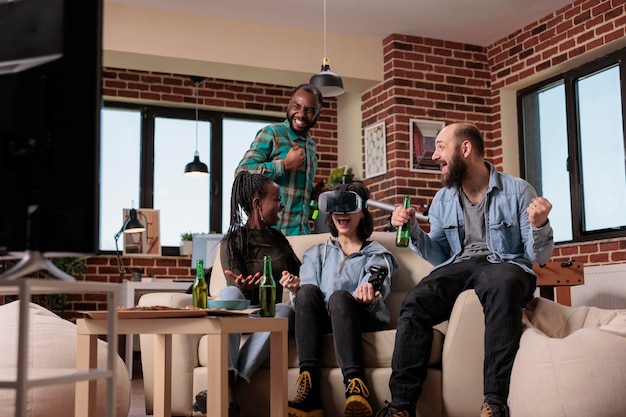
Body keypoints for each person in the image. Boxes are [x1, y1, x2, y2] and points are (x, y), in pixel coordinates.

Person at [375, 123, 554, 417]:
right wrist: (413, 230)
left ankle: (494, 402)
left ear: (465, 149)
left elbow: (540, 256)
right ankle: (401, 406)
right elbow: (440, 255)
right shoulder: (444, 199)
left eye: (441, 147)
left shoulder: (518, 190)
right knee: (416, 300)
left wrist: (539, 225)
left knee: (502, 284)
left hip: (505, 264)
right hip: (460, 265)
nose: (434, 156)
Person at [282, 182, 400, 417]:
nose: (342, 213)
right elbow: (308, 298)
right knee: (306, 292)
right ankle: (309, 394)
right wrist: (296, 290)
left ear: (362, 211)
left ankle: (356, 388)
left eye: (349, 206)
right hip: (322, 320)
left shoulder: (378, 254)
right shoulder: (315, 253)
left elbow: (378, 285)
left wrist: (369, 294)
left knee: (338, 298)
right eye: (336, 206)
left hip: (359, 316)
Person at [192, 171, 301, 417]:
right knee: (229, 290)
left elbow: (301, 275)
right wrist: (244, 287)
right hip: (240, 316)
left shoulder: (279, 240)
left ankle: (225, 389)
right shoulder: (234, 239)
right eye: (277, 199)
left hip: (268, 316)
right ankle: (228, 391)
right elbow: (235, 282)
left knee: (285, 310)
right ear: (257, 204)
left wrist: (295, 282)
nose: (281, 205)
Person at [235, 83, 323, 236]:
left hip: (302, 237)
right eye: (297, 106)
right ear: (289, 105)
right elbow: (241, 173)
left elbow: (307, 211)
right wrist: (283, 165)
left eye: (309, 110)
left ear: (317, 114)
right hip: (271, 237)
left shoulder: (311, 147)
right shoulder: (272, 134)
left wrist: (314, 196)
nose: (301, 114)